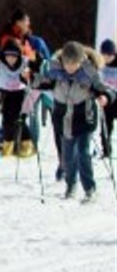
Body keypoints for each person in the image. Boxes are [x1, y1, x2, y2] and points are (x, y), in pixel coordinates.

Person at [33, 42, 114, 202]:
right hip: (64, 121)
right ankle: (71, 186)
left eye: (74, 63)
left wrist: (105, 97)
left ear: (81, 61)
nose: (70, 67)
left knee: (83, 153)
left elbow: (106, 89)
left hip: (84, 118)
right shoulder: (55, 73)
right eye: (67, 63)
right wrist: (28, 77)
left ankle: (90, 189)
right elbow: (39, 82)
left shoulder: (89, 73)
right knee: (67, 156)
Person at [99, 39, 117, 158]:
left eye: (108, 55)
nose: (106, 58)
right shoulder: (100, 65)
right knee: (105, 126)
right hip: (107, 100)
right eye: (103, 55)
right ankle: (106, 150)